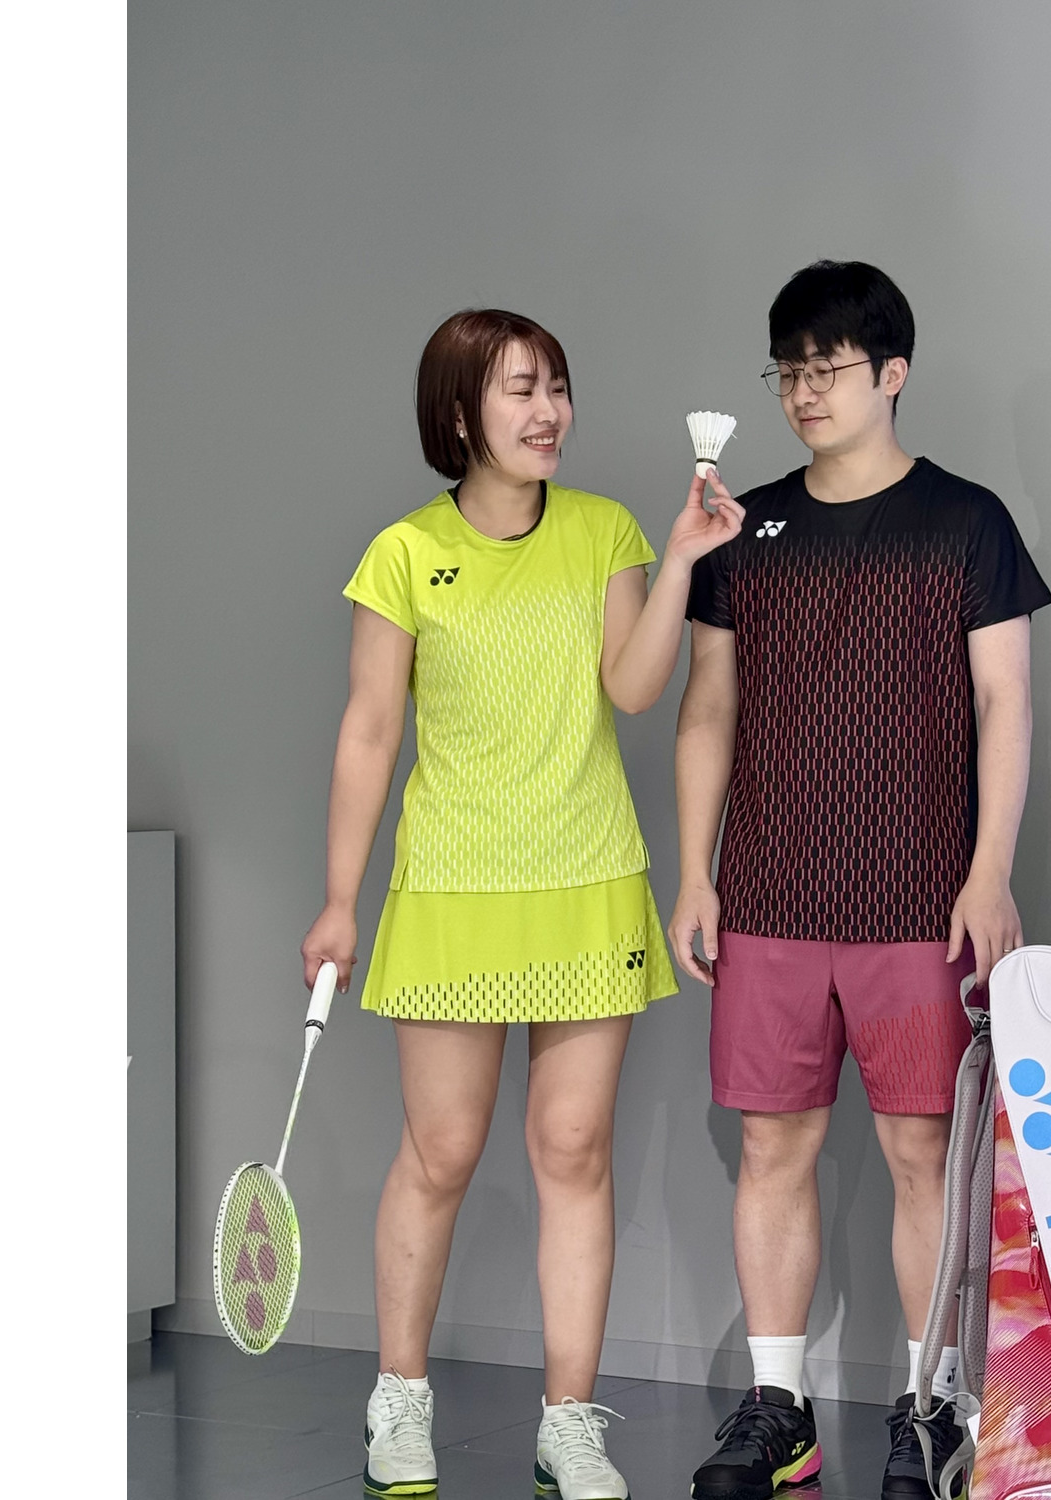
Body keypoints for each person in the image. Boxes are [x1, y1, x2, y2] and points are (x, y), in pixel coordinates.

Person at [301, 308, 743, 1500]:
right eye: (519, 389)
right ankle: (399, 1403)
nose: (549, 411)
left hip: (587, 882)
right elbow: (369, 731)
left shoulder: (605, 532)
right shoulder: (403, 554)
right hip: (452, 888)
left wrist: (681, 559)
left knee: (573, 1149)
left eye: (557, 386)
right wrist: (340, 899)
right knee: (441, 1150)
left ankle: (569, 1425)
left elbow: (635, 689)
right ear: (460, 413)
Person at [671, 261, 1051, 1500]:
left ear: (892, 373)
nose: (803, 390)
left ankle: (932, 1409)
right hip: (770, 896)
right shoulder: (742, 531)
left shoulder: (968, 522)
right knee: (771, 1145)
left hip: (920, 901)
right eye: (787, 369)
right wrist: (697, 874)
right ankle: (778, 1409)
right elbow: (708, 707)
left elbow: (1005, 702)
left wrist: (989, 873)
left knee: (920, 1151)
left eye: (827, 367)